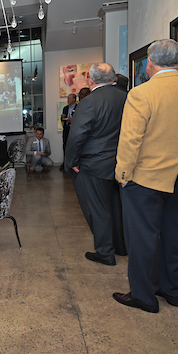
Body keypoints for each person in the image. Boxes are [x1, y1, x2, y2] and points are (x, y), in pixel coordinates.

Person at [113, 39, 178, 313]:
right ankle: (175, 292)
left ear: (149, 63)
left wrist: (123, 174)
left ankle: (144, 296)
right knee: (176, 238)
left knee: (142, 239)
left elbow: (130, 141)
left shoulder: (142, 93)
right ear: (177, 62)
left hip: (146, 180)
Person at [65, 62, 128, 266]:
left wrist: (71, 162)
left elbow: (77, 136)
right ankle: (120, 246)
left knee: (98, 210)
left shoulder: (89, 102)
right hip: (120, 163)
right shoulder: (127, 97)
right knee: (116, 207)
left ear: (91, 81)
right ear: (113, 78)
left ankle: (105, 252)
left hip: (93, 166)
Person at [60, 93, 77, 171]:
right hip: (66, 130)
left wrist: (72, 120)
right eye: (67, 98)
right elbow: (63, 120)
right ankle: (65, 164)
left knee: (74, 148)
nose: (68, 100)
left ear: (74, 99)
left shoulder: (78, 107)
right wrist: (62, 118)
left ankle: (74, 164)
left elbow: (79, 120)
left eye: (69, 98)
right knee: (65, 147)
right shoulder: (65, 108)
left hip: (74, 131)